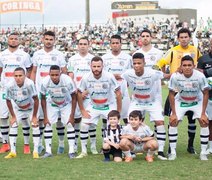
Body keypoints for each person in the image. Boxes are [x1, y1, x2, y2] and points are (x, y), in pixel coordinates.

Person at [157, 28, 202, 154]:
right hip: (176, 89)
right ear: (178, 39)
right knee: (173, 118)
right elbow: (160, 63)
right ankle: (171, 147)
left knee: (192, 119)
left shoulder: (195, 50)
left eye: (186, 37)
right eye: (181, 37)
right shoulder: (173, 51)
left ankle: (190, 145)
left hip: (192, 89)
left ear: (189, 38)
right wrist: (167, 76)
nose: (184, 39)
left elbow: (201, 64)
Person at [122, 52, 168, 160]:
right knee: (131, 122)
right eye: (135, 63)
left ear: (144, 63)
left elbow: (165, 76)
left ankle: (160, 151)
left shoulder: (152, 73)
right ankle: (131, 149)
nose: (137, 65)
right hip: (137, 101)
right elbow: (119, 79)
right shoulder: (127, 74)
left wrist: (178, 72)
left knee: (160, 122)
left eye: (139, 63)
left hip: (152, 102)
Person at [76, 56, 122, 158]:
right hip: (94, 106)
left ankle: (115, 149)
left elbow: (118, 93)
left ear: (102, 66)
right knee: (84, 125)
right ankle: (84, 151)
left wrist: (118, 111)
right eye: (94, 66)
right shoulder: (86, 77)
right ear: (90, 66)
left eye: (98, 66)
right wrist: (82, 110)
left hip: (108, 106)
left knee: (115, 125)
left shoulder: (109, 76)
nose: (96, 68)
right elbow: (78, 92)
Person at [30, 31, 67, 154]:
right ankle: (40, 144)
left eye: (51, 39)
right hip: (41, 91)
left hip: (56, 91)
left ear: (54, 40)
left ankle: (61, 144)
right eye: (46, 39)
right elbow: (34, 71)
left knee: (59, 119)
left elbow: (64, 71)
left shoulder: (59, 54)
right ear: (42, 39)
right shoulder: (37, 54)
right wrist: (32, 86)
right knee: (41, 118)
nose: (48, 41)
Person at [168, 55, 209, 161]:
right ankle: (172, 152)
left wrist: (203, 113)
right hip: (181, 101)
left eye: (189, 65)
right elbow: (171, 94)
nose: (187, 67)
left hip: (197, 101)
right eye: (184, 65)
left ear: (194, 66)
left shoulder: (200, 76)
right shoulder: (175, 76)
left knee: (204, 121)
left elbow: (205, 93)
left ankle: (203, 152)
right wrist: (173, 113)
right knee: (173, 121)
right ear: (180, 66)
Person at [0, 32, 32, 154]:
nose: (13, 41)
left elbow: (29, 70)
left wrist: (24, 84)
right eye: (11, 38)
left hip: (20, 90)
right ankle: (5, 143)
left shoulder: (24, 55)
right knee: (3, 117)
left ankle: (26, 144)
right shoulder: (2, 54)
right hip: (5, 89)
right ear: (7, 40)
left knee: (23, 117)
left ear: (19, 41)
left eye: (15, 39)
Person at [67, 37, 97, 154]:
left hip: (90, 94)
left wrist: (86, 91)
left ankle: (93, 146)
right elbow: (71, 76)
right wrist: (77, 91)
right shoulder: (72, 59)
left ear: (88, 45)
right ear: (77, 46)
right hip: (76, 94)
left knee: (91, 119)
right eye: (80, 44)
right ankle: (74, 144)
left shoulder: (92, 59)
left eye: (85, 44)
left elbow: (95, 76)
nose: (83, 46)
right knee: (77, 119)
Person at [40, 65, 77, 159]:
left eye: (56, 75)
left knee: (69, 124)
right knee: (48, 124)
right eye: (52, 75)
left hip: (66, 104)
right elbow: (43, 98)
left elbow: (74, 97)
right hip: (52, 104)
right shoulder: (44, 82)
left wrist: (72, 116)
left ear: (60, 73)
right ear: (49, 74)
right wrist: (45, 117)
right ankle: (48, 151)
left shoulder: (67, 80)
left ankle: (71, 151)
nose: (54, 77)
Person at [4, 67, 40, 159]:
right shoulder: (9, 85)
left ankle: (35, 151)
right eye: (16, 76)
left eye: (20, 75)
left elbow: (36, 100)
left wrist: (35, 116)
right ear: (13, 76)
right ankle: (13, 152)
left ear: (25, 76)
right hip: (18, 108)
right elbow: (8, 100)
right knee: (13, 125)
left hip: (31, 108)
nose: (18, 78)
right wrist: (13, 116)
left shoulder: (30, 84)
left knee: (35, 125)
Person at [102, 34, 131, 125]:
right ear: (110, 44)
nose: (115, 45)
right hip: (108, 91)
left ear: (121, 44)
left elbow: (131, 75)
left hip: (123, 91)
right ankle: (107, 137)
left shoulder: (128, 58)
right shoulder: (104, 58)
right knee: (107, 116)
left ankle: (127, 136)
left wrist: (123, 79)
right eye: (113, 43)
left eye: (117, 43)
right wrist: (112, 77)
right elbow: (101, 75)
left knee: (126, 116)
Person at [197, 38, 212, 154]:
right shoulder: (203, 59)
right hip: (208, 96)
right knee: (209, 122)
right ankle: (210, 146)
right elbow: (199, 75)